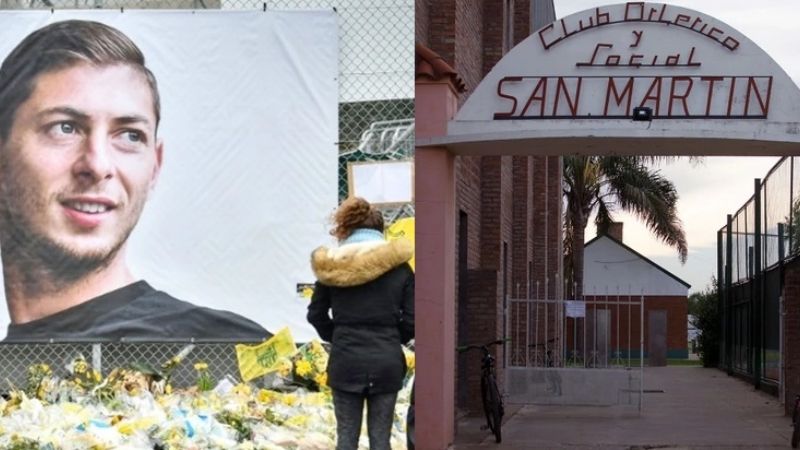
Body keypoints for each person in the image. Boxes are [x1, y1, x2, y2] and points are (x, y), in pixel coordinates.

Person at [0, 20, 270, 342]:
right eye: (65, 128)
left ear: (155, 167)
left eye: (130, 135)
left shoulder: (229, 353)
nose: (98, 165)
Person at [307, 197, 414, 450]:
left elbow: (316, 314)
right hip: (386, 360)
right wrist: (392, 337)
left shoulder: (331, 268)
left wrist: (338, 335)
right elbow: (412, 319)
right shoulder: (400, 269)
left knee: (346, 438)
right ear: (381, 229)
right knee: (381, 439)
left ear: (347, 228)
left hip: (345, 360)